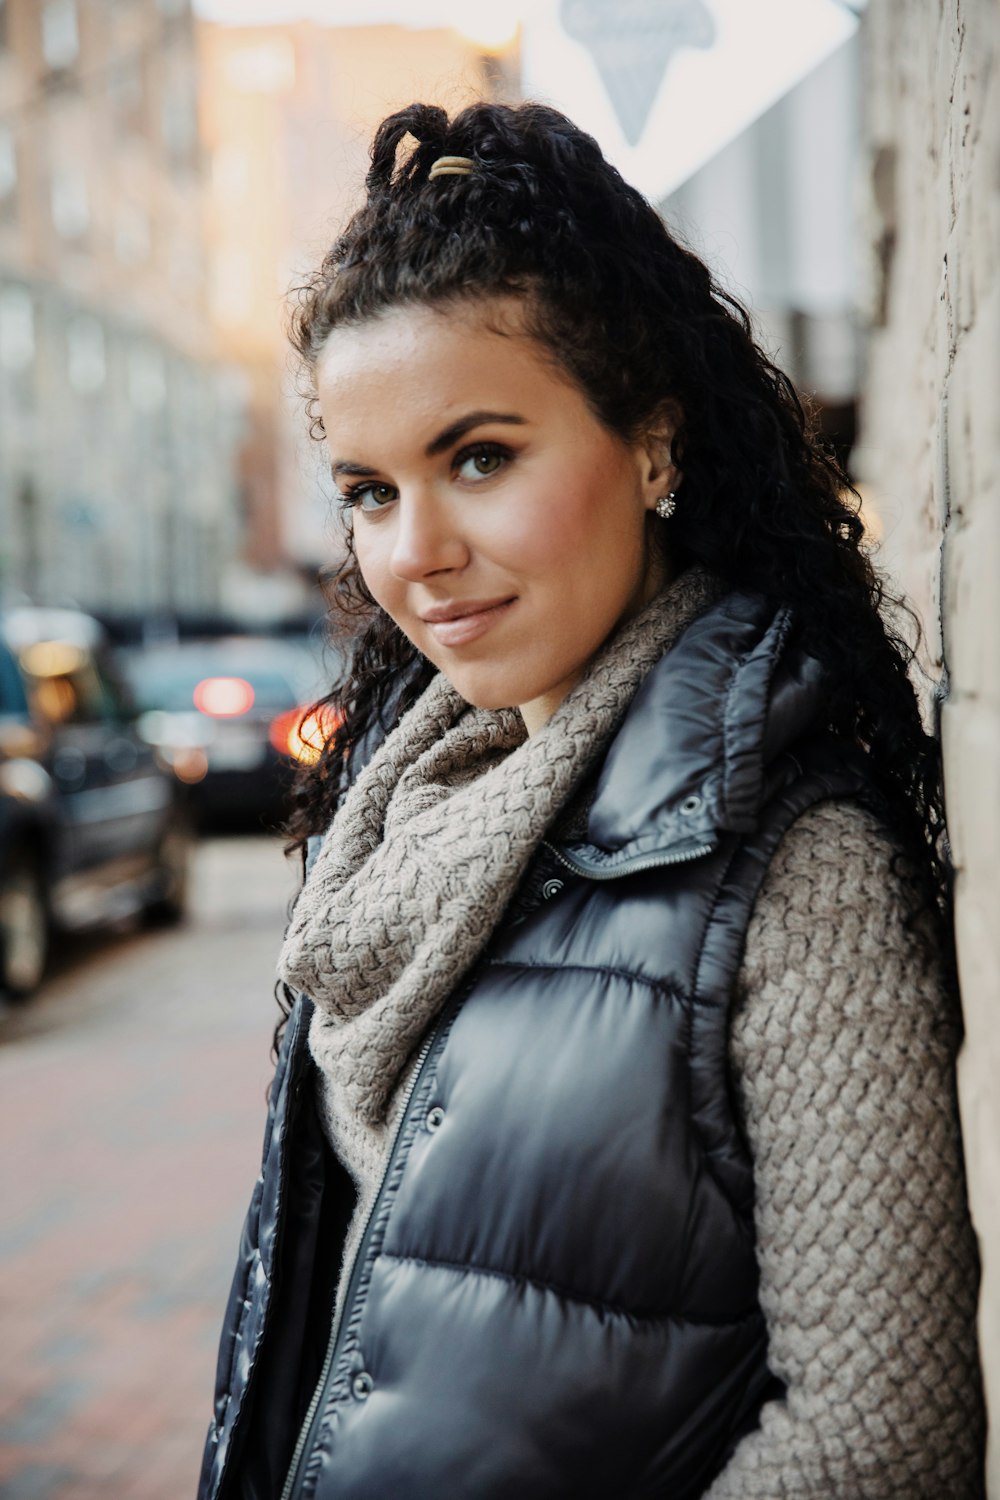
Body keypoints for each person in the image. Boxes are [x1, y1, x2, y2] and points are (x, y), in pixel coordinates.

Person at [197, 102, 984, 1500]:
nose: (419, 551)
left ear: (653, 446)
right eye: (370, 491)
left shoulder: (794, 871)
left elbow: (883, 1438)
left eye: (481, 458)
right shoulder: (402, 817)